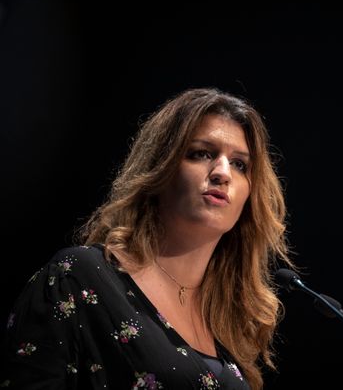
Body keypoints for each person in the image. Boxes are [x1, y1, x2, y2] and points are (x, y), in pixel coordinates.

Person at [0, 87, 296, 389]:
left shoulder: (229, 320)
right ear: (160, 168)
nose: (222, 172)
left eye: (239, 164)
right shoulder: (79, 276)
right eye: (201, 153)